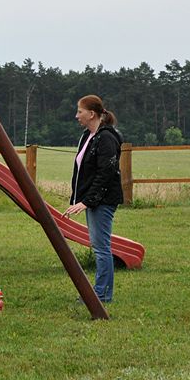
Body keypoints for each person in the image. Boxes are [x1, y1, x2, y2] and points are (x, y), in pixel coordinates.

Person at [62, 95, 124, 303]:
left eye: (80, 111)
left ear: (91, 114)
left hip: (103, 200)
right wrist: (79, 199)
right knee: (99, 246)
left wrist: (87, 201)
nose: (76, 115)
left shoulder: (106, 138)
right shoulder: (88, 136)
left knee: (101, 248)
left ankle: (101, 295)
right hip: (94, 200)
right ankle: (101, 293)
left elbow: (106, 172)